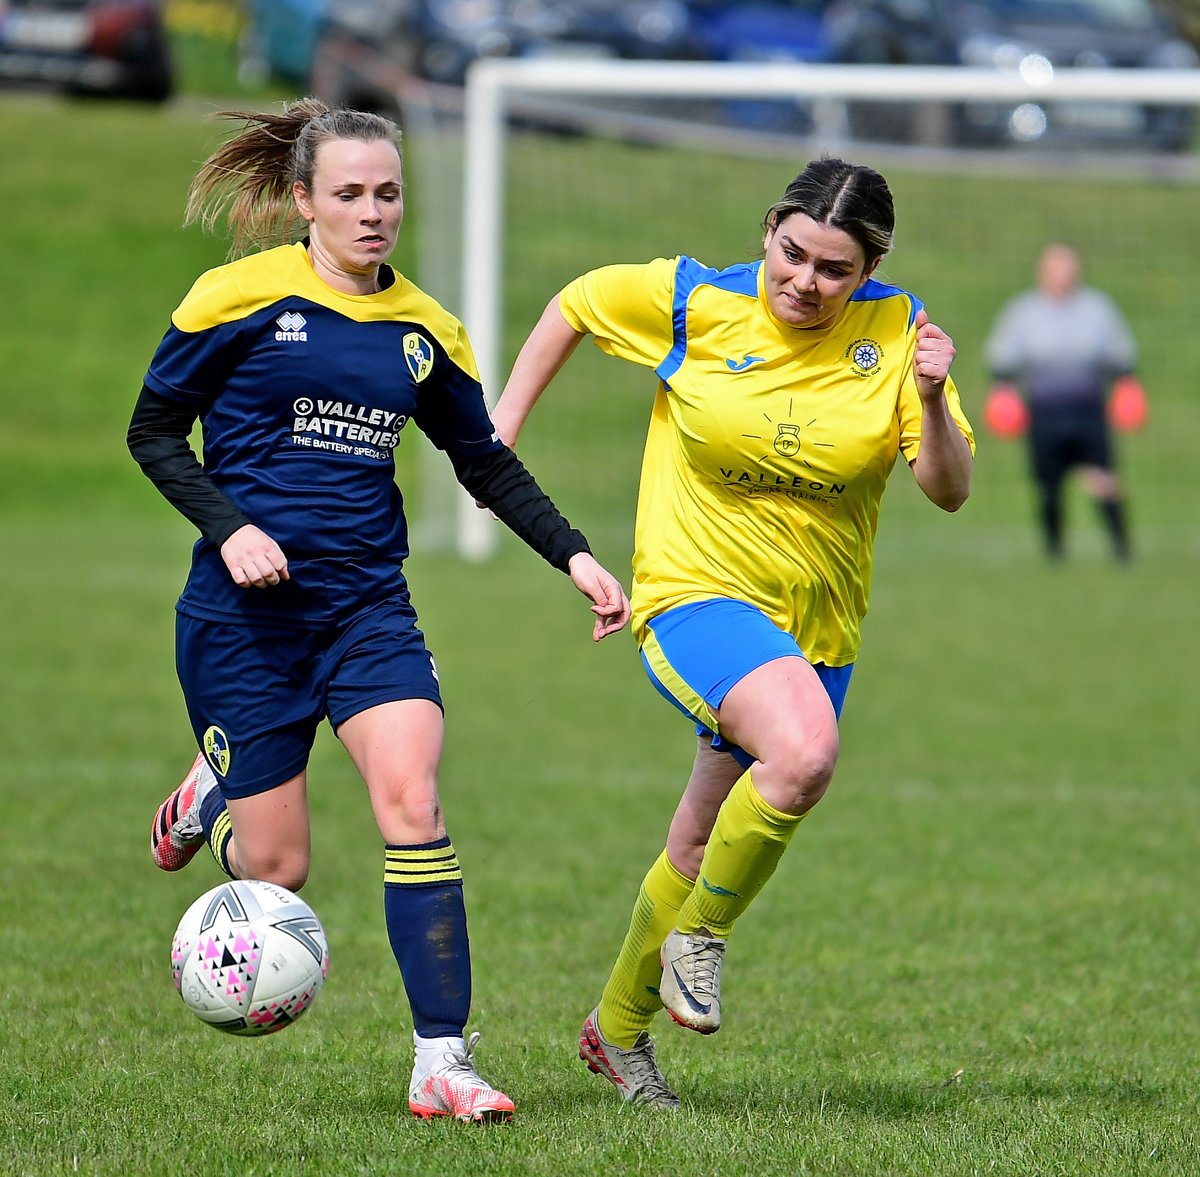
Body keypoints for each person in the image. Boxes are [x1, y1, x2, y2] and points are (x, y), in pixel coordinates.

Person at [126, 98, 630, 1124]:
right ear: (303, 200)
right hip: (244, 621)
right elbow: (154, 433)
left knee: (414, 803)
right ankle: (211, 797)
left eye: (388, 193)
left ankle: (441, 1060)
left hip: (368, 611)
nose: (372, 212)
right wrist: (230, 527)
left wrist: (575, 554)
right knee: (280, 868)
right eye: (349, 193)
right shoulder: (235, 296)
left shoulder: (425, 329)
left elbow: (485, 461)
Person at [490, 157, 975, 1108]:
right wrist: (499, 425)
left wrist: (927, 397)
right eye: (791, 254)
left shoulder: (899, 332)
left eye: (834, 270)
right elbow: (578, 303)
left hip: (816, 629)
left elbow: (949, 489)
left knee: (701, 834)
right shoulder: (692, 302)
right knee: (804, 754)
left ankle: (616, 1031)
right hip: (694, 594)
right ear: (768, 231)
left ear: (871, 269)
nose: (805, 281)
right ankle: (702, 939)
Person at [984, 242, 1142, 562]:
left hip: (1087, 409)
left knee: (1103, 478)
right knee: (1049, 485)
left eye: (1067, 267)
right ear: (1042, 272)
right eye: (1055, 268)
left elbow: (1121, 354)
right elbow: (1001, 358)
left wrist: (1127, 387)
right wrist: (1003, 393)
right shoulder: (1024, 312)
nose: (1062, 275)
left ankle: (1121, 548)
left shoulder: (1097, 309)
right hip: (1044, 412)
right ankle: (1054, 552)